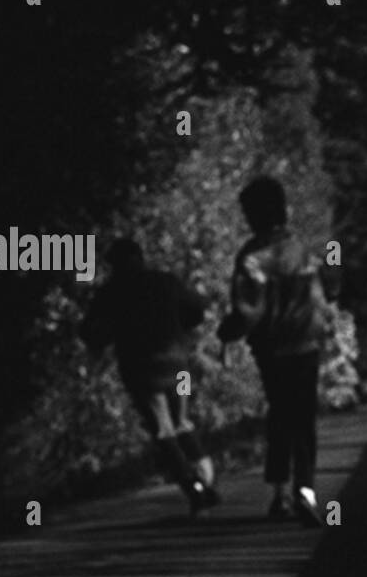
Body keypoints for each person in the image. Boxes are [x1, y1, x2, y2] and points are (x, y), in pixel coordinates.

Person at [218, 177, 335, 526]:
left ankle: (281, 493)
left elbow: (247, 311)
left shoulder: (252, 257)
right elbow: (331, 284)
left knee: (281, 415)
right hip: (307, 343)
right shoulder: (306, 248)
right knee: (304, 418)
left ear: (253, 214)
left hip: (272, 350)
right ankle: (306, 490)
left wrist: (227, 331)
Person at [81, 238, 220, 515]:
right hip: (177, 364)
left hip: (141, 369)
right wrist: (181, 324)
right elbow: (199, 307)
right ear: (141, 257)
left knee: (163, 429)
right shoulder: (165, 282)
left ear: (114, 264)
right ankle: (204, 475)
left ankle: (193, 486)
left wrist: (109, 336)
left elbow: (89, 331)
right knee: (183, 422)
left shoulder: (111, 292)